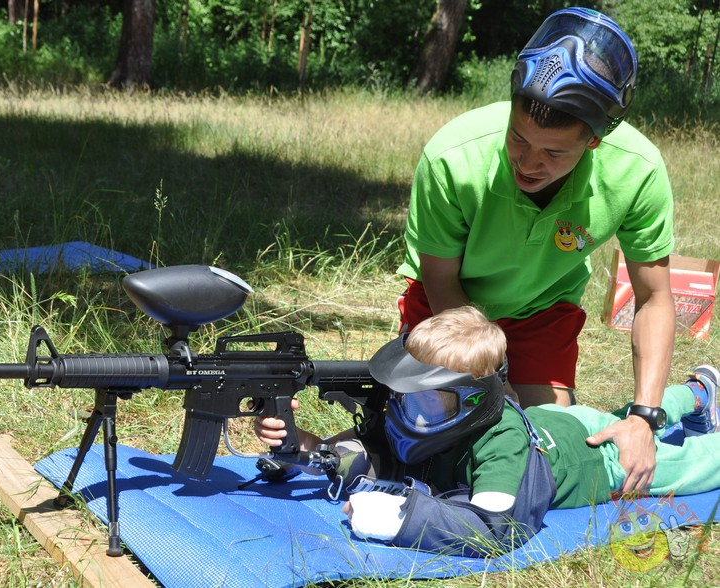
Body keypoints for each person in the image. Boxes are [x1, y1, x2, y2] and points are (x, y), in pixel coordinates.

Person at [396, 7, 675, 494]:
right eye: (518, 138)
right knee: (426, 439)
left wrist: (644, 416)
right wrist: (491, 381)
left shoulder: (638, 171)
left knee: (543, 445)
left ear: (594, 141)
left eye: (554, 152)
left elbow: (654, 299)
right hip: (450, 309)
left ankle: (694, 395)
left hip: (541, 312)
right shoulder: (452, 157)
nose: (528, 163)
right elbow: (439, 279)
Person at [255, 306, 720, 556]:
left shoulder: (501, 443)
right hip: (556, 420)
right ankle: (698, 391)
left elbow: (496, 529)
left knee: (691, 464)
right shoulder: (437, 421)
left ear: (473, 400)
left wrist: (400, 519)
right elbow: (377, 453)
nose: (409, 413)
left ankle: (698, 397)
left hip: (597, 458)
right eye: (404, 396)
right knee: (624, 416)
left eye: (429, 402)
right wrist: (302, 447)